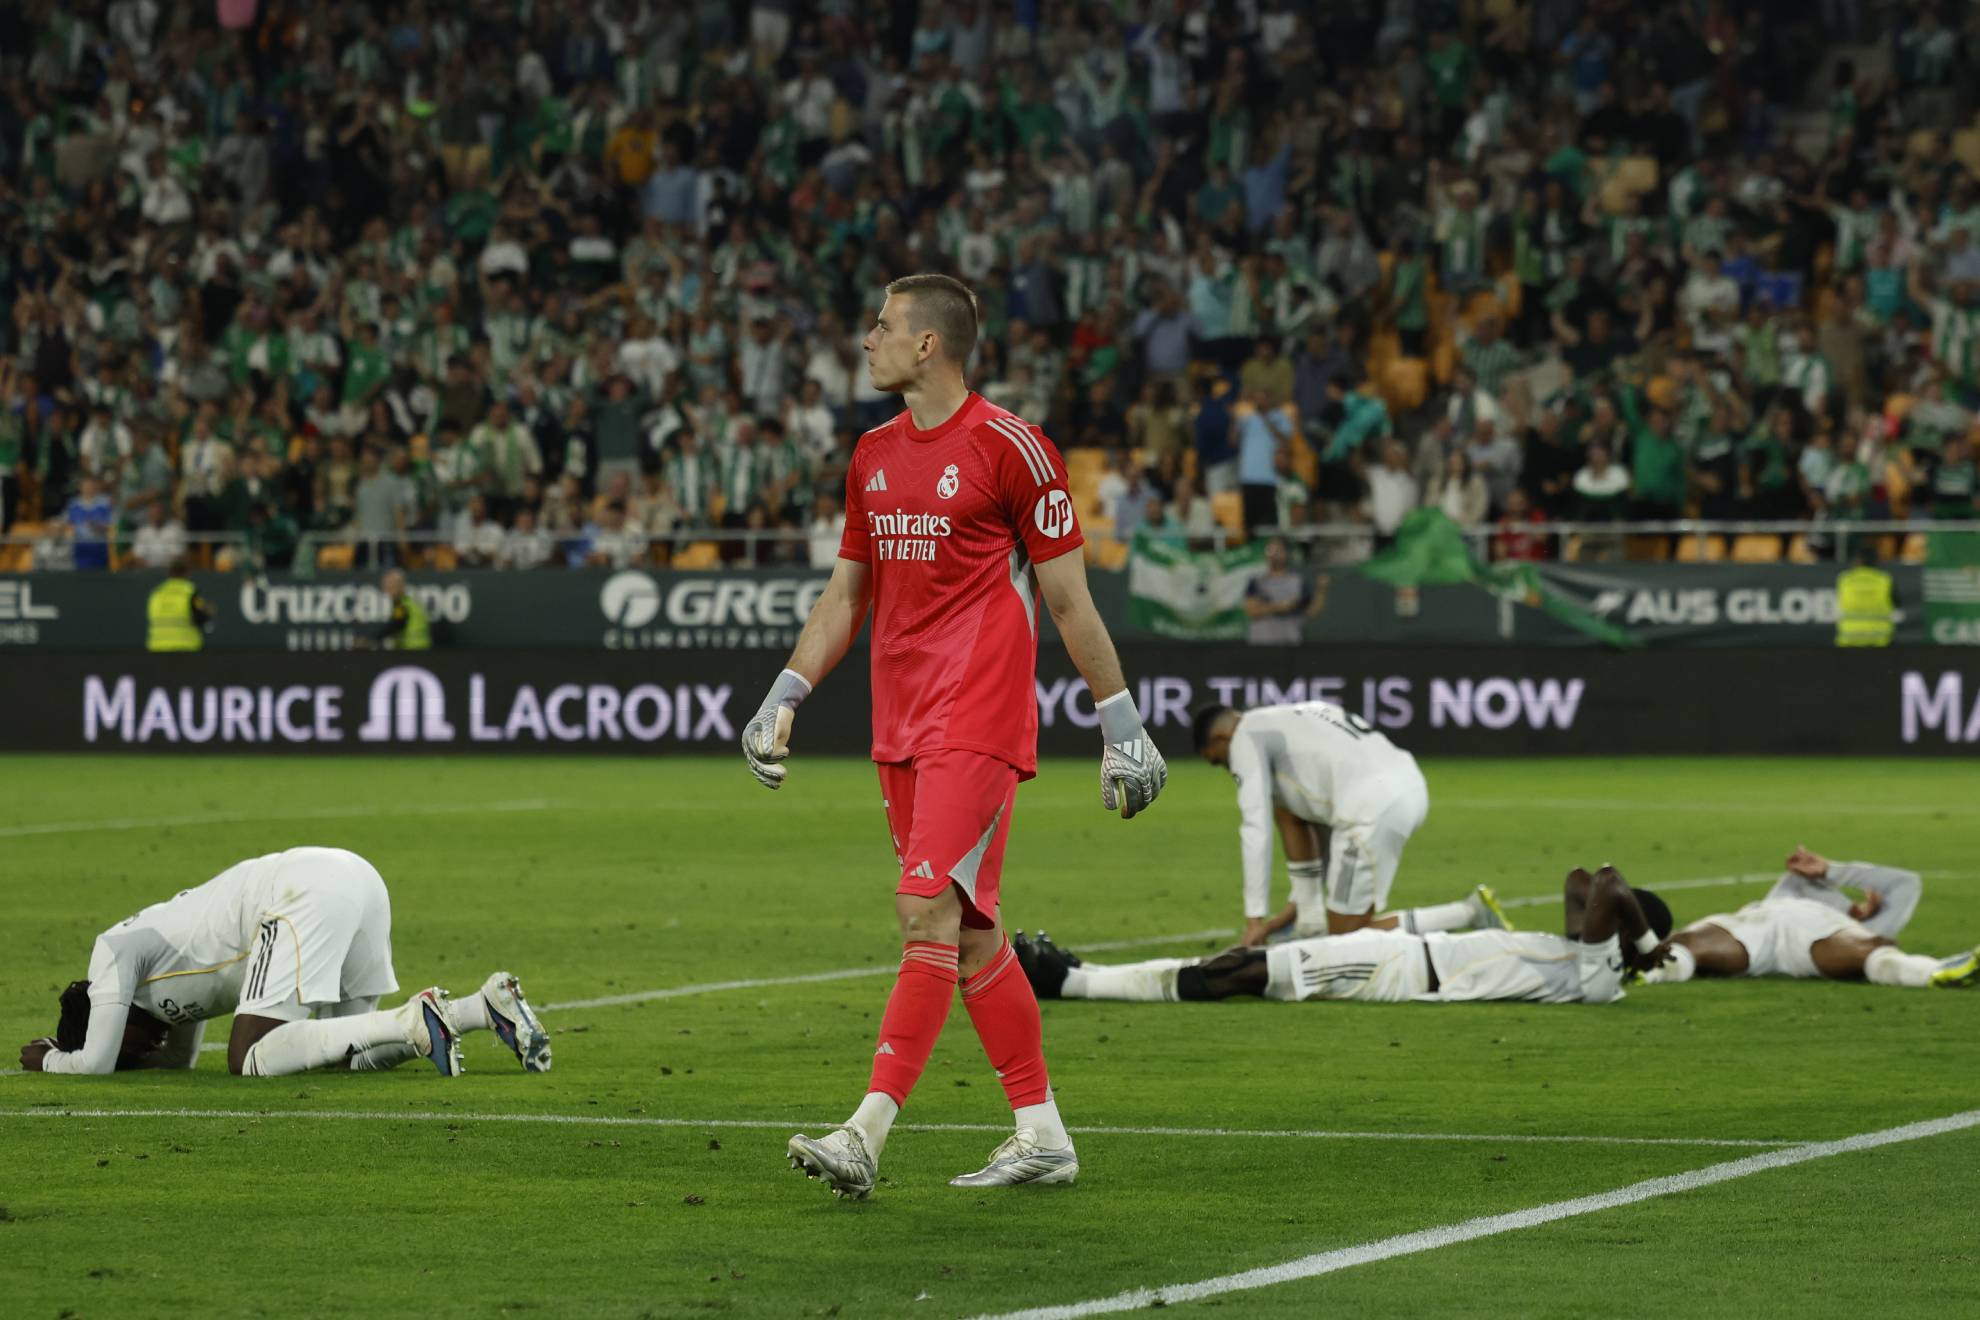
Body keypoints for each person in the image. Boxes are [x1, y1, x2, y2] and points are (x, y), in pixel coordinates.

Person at [743, 272, 1167, 1199]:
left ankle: (867, 1130)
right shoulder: (871, 454)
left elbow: (1067, 598)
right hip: (897, 724)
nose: (867, 339)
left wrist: (1121, 724)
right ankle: (1042, 1132)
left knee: (923, 913)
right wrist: (786, 689)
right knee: (972, 936)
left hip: (977, 718)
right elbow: (846, 594)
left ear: (928, 344)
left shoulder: (1013, 448)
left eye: (883, 325)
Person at [17, 847, 551, 1077]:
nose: (143, 1051)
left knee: (247, 1057)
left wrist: (49, 1057)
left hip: (299, 891)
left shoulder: (111, 953)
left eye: (133, 1047)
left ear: (99, 1015)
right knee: (345, 1056)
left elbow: (98, 1062)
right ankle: (483, 1009)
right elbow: (174, 1061)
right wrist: (139, 1057)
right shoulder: (161, 1006)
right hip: (354, 877)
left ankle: (413, 1018)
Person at [1019, 865, 1672, 1008]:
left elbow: (1609, 885)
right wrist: (1643, 941)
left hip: (1401, 974)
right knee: (1248, 964)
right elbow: (1583, 879)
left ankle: (1072, 981)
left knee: (1248, 970)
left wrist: (1644, 947)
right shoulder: (1586, 952)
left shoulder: (1599, 978)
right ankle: (1078, 976)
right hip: (1404, 958)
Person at [1191, 703, 1508, 944]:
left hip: (1371, 809)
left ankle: (1467, 913)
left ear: (1222, 737)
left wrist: (1254, 920)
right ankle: (1310, 921)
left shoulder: (1245, 736)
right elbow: (1310, 817)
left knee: (1346, 941)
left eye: (1219, 760)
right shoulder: (1296, 714)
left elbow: (1255, 827)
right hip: (1408, 786)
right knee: (1285, 806)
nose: (1227, 768)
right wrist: (1292, 913)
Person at [1641, 846, 1977, 989]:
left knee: (1874, 951)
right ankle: (1644, 974)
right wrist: (1824, 876)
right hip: (1758, 920)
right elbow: (1796, 876)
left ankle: (1940, 972)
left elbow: (1906, 884)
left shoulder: (1865, 928)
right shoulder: (1800, 889)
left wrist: (1835, 870)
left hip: (1821, 934)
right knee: (1688, 943)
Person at [1243, 537, 1321, 645]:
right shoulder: (1257, 580)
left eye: (1278, 550)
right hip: (1262, 642)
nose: (1273, 555)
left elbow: (1311, 611)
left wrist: (1321, 590)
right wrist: (1281, 606)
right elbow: (1252, 611)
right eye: (1270, 550)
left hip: (1290, 640)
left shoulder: (1298, 581)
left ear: (1286, 553)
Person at [1834, 541, 1895, 647]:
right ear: (1876, 561)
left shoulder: (1844, 579)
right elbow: (1897, 603)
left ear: (1858, 561)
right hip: (1880, 641)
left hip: (1849, 640)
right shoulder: (1884, 580)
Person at [145, 558, 212, 652]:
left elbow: (150, 616)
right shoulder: (190, 591)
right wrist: (208, 610)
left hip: (157, 646)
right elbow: (201, 616)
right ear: (187, 573)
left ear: (169, 572)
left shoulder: (157, 593)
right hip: (186, 646)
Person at [370, 568, 430, 650]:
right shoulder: (411, 603)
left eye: (390, 585)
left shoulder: (402, 606)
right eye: (386, 585)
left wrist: (372, 639)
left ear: (400, 586)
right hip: (421, 649)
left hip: (412, 650)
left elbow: (396, 624)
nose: (386, 589)